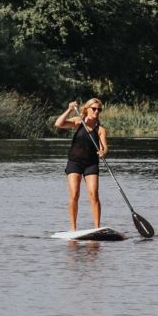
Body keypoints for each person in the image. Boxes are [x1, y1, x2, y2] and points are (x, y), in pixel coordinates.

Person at [54, 99, 107, 231]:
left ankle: (97, 228)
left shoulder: (100, 129)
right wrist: (70, 109)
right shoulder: (78, 121)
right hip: (75, 163)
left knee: (94, 195)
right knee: (74, 195)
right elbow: (59, 124)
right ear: (87, 109)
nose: (96, 111)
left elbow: (104, 147)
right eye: (94, 109)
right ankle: (73, 228)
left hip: (91, 164)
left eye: (99, 109)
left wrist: (103, 152)